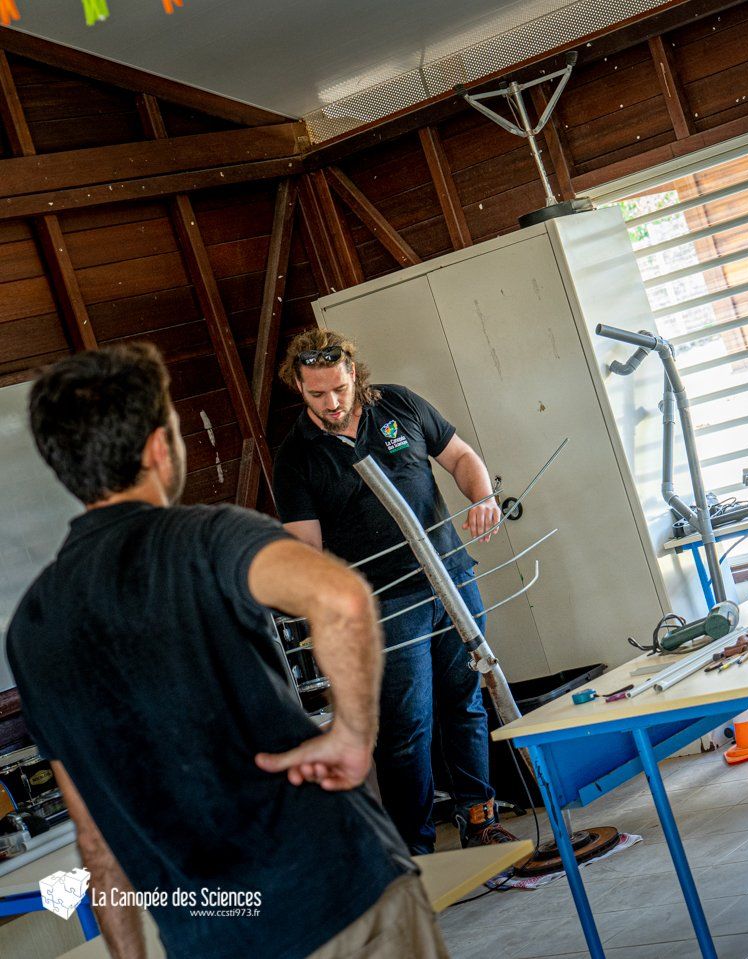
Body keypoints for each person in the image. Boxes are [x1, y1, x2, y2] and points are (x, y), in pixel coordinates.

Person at [5, 344, 447, 959]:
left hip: (212, 934)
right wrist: (351, 736)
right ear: (160, 448)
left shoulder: (30, 627)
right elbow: (342, 596)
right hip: (335, 893)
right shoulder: (210, 535)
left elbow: (95, 840)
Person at [273, 328, 511, 855]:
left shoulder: (400, 404)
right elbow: (305, 549)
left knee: (467, 702)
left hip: (451, 577)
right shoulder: (295, 458)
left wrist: (484, 498)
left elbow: (462, 459)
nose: (332, 403)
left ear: (354, 373)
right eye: (317, 394)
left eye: (339, 388)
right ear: (297, 386)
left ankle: (481, 819)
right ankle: (416, 852)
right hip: (384, 605)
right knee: (407, 729)